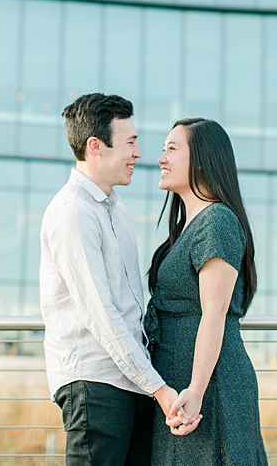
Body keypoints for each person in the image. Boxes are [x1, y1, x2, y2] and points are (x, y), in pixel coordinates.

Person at [39, 94, 197, 466]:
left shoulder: (119, 212)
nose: (139, 153)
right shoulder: (71, 212)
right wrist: (160, 389)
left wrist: (150, 384)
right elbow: (101, 315)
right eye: (130, 142)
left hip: (132, 383)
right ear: (95, 146)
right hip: (94, 386)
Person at [145, 117, 268, 465]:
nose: (161, 158)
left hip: (209, 388)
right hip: (184, 384)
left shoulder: (217, 221)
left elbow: (213, 313)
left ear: (201, 160)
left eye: (172, 149)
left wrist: (196, 390)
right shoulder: (189, 227)